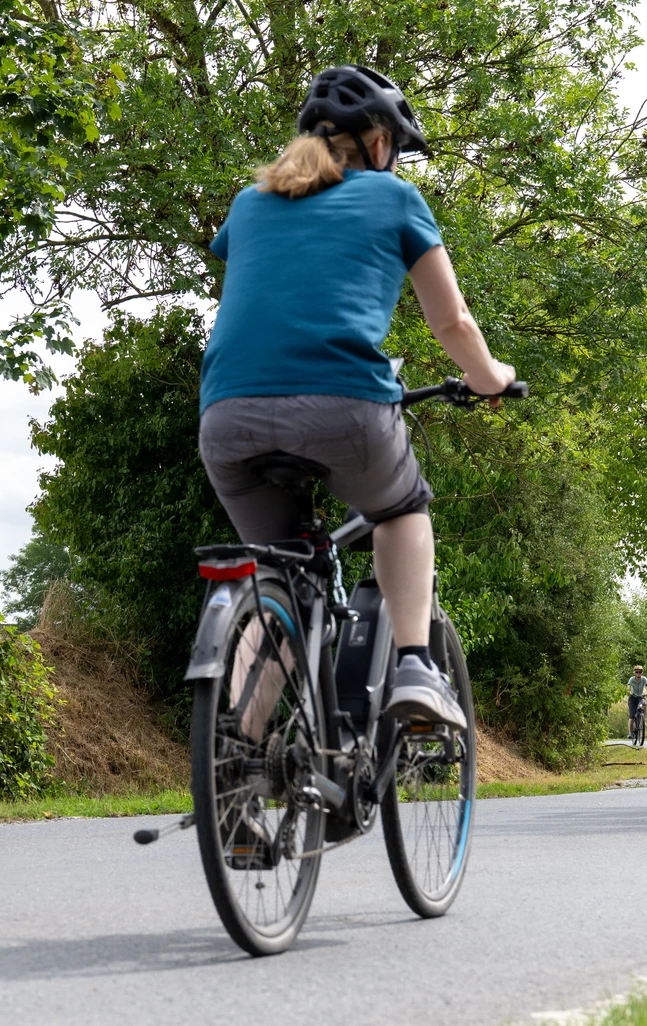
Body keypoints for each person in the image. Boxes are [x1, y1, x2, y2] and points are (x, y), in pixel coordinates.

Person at [197, 65, 516, 731]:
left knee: (277, 578)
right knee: (402, 509)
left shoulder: (249, 203)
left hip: (227, 416)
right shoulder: (393, 197)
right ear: (379, 144)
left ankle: (239, 765)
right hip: (343, 405)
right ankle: (414, 666)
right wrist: (490, 378)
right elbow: (452, 322)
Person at [627, 666, 647, 739]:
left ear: (642, 673)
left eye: (640, 672)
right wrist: (627, 691)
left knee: (644, 703)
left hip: (640, 697)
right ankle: (630, 733)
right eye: (637, 672)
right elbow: (628, 687)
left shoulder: (644, 679)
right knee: (632, 716)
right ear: (634, 673)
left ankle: (643, 718)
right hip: (632, 698)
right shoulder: (632, 679)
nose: (638, 673)